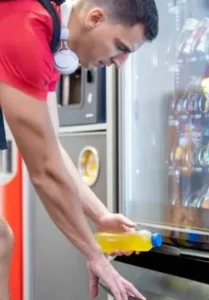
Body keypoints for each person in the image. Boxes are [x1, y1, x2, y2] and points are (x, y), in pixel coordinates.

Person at [0, 0, 159, 299]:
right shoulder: (28, 26)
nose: (120, 62)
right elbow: (45, 171)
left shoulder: (50, 39)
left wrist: (99, 216)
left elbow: (51, 147)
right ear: (95, 19)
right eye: (120, 47)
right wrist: (94, 254)